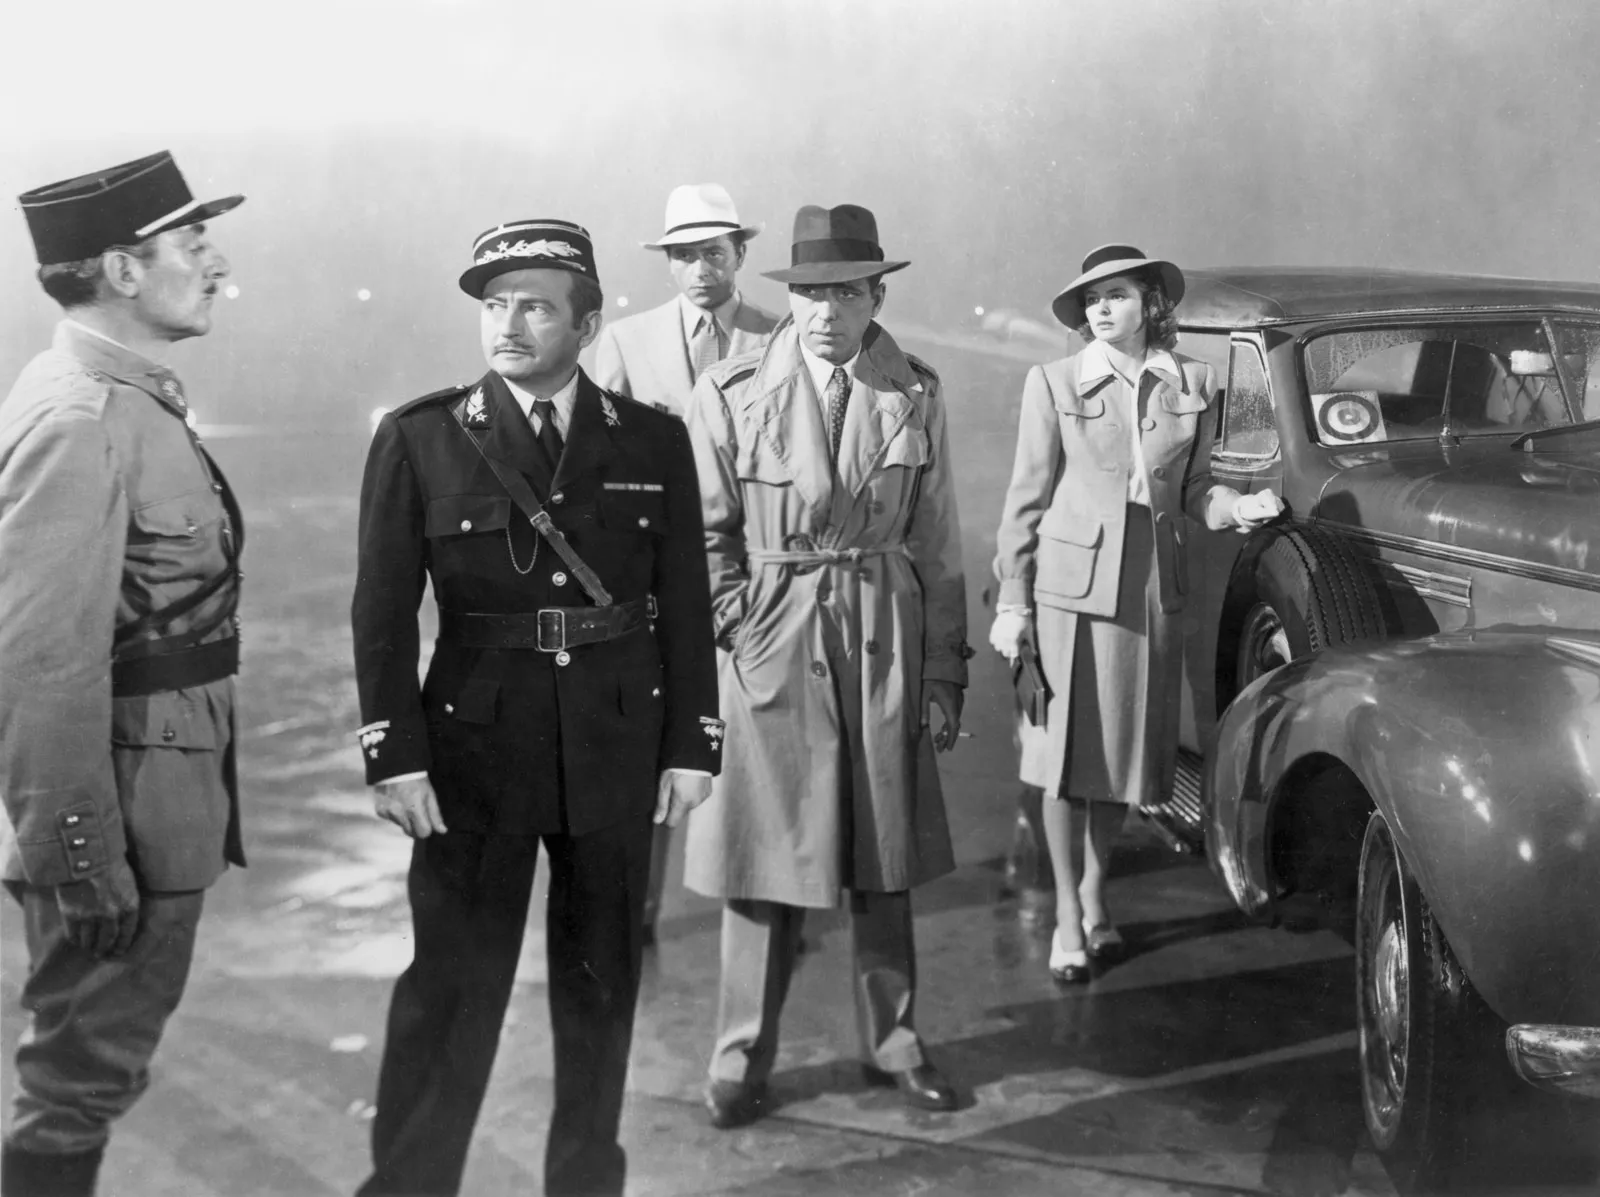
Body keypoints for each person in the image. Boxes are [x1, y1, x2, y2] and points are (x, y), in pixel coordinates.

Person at [350, 219, 722, 1197]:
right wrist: (394, 755)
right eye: (494, 305)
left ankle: (586, 1182)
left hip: (614, 739)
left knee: (601, 987)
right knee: (451, 986)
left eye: (535, 307)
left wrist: (693, 742)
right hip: (474, 747)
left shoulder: (652, 440)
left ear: (587, 324)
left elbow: (684, 601)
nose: (507, 326)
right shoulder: (423, 437)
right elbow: (381, 613)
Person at [684, 203, 971, 1128]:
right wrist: (740, 625)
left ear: (876, 296)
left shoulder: (914, 391)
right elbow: (702, 537)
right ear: (792, 297)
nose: (825, 311)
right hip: (774, 637)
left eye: (846, 292)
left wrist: (942, 671)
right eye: (809, 293)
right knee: (761, 856)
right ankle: (739, 1057)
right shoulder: (729, 392)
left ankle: (896, 1041)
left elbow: (939, 542)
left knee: (883, 850)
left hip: (882, 631)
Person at [0, 151, 246, 1197]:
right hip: (122, 812)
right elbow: (39, 668)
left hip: (158, 785)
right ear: (122, 269)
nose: (217, 264)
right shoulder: (81, 419)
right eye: (193, 243)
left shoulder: (123, 398)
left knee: (93, 1069)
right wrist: (79, 855)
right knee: (79, 1079)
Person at [988, 244, 1283, 983]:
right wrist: (1013, 599)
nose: (1101, 309)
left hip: (1152, 589)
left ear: (1151, 303)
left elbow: (1197, 489)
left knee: (1121, 760)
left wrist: (1238, 506)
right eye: (1092, 300)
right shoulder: (1053, 381)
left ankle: (1095, 892)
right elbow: (1025, 499)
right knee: (1062, 764)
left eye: (1116, 295)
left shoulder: (1194, 381)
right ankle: (1066, 911)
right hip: (1067, 592)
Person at [591, 182, 777, 945]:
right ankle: (633, 908)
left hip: (750, 573)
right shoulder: (626, 342)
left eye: (713, 252)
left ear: (741, 253)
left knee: (755, 740)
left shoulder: (781, 335)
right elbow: (590, 458)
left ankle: (765, 891)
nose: (699, 269)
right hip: (654, 573)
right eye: (683, 255)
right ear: (667, 263)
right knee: (650, 740)